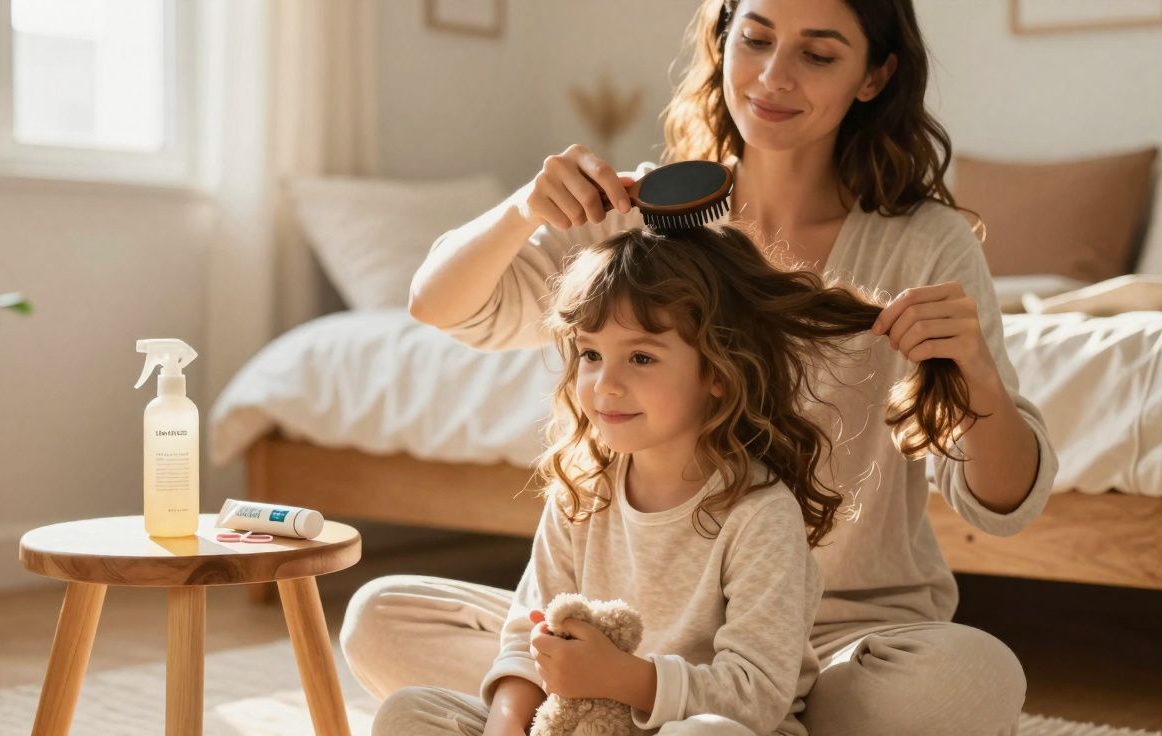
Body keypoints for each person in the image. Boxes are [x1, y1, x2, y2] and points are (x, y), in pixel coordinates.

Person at [345, 0, 1058, 733]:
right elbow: (441, 306)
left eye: (817, 55)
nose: (773, 76)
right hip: (633, 628)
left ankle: (706, 710)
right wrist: (525, 207)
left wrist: (977, 380)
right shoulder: (642, 214)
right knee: (378, 615)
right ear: (722, 43)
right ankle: (662, 704)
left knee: (971, 677)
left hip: (848, 643)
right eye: (754, 39)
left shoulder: (925, 243)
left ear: (874, 76)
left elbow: (1002, 504)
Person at [372, 224, 983, 735]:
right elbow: (525, 638)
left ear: (718, 371)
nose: (604, 385)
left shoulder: (759, 512)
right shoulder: (583, 489)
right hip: (587, 723)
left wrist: (620, 678)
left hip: (706, 724)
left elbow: (758, 697)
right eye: (590, 355)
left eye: (640, 357)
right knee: (409, 714)